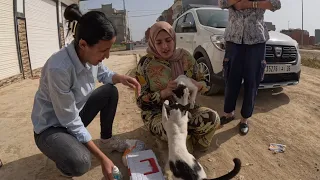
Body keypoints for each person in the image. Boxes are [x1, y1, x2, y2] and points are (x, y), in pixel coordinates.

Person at [31, 4, 141, 179]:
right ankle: (65, 159)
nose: (107, 56)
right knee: (81, 162)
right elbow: (69, 119)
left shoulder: (90, 57)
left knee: (109, 91)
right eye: (103, 50)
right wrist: (103, 159)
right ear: (83, 44)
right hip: (51, 128)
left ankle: (106, 140)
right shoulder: (58, 69)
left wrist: (121, 78)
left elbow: (105, 74)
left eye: (109, 49)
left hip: (73, 115)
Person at [135, 21, 225, 153]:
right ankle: (183, 139)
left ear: (174, 38)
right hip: (159, 113)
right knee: (173, 129)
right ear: (152, 43)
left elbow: (205, 83)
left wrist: (198, 85)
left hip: (186, 108)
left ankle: (192, 140)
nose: (165, 46)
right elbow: (140, 101)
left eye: (168, 40)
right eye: (159, 42)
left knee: (213, 118)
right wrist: (163, 93)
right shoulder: (145, 64)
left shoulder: (185, 57)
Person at [218, 0, 281, 135]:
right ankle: (228, 113)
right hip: (233, 38)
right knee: (231, 78)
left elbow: (276, 4)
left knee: (252, 81)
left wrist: (251, 4)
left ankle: (245, 119)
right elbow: (222, 3)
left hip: (256, 40)